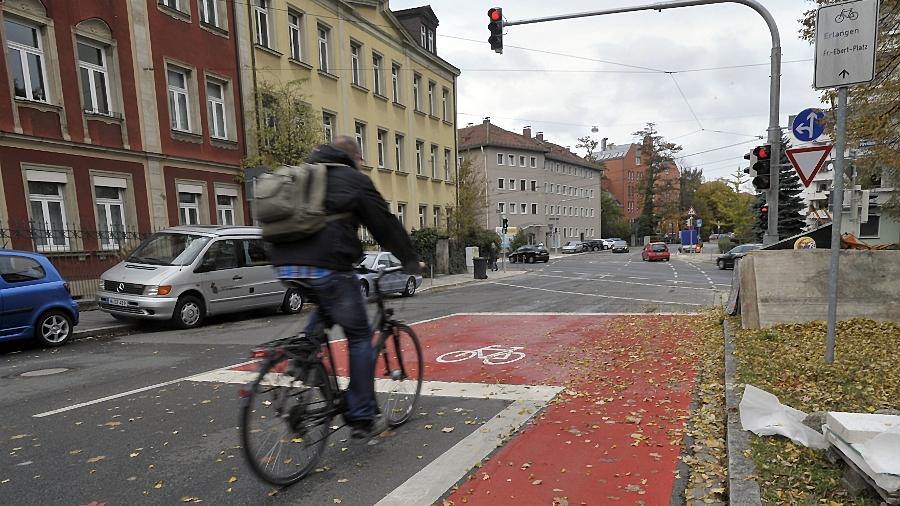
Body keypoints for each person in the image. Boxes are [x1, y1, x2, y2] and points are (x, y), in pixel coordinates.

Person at [266, 136, 421, 442]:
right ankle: (362, 415)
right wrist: (410, 260)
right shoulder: (353, 180)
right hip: (327, 267)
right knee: (360, 336)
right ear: (355, 158)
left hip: (284, 264)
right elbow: (385, 224)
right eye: (362, 160)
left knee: (327, 306)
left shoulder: (302, 176)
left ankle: (302, 355)